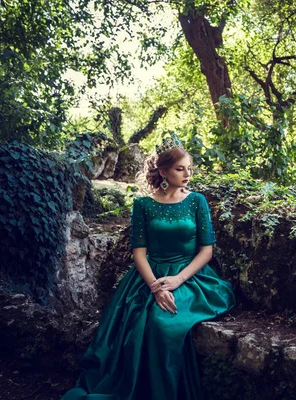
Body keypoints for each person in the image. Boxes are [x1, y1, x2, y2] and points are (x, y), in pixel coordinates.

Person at [61, 133, 236, 400]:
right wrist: (155, 287)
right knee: (143, 324)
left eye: (189, 168)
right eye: (180, 169)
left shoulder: (197, 201)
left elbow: (206, 250)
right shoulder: (143, 205)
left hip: (191, 277)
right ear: (164, 172)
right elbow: (139, 253)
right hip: (149, 276)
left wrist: (177, 280)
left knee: (163, 323)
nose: (187, 174)